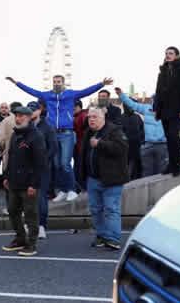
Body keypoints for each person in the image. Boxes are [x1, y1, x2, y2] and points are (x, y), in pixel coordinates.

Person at [7, 74, 113, 202]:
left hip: (66, 133)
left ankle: (72, 190)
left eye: (59, 81)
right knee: (56, 164)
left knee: (65, 163)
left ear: (63, 83)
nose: (56, 83)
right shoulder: (47, 95)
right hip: (53, 132)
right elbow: (31, 91)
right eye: (54, 81)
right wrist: (16, 83)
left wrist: (101, 84)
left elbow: (86, 91)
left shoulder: (70, 94)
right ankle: (64, 189)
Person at [79, 107, 129, 251]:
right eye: (89, 117)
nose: (91, 120)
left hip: (112, 179)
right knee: (95, 209)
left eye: (94, 117)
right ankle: (101, 236)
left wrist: (100, 144)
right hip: (93, 179)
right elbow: (83, 156)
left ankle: (113, 239)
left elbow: (122, 148)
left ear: (103, 118)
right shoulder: (88, 133)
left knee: (111, 209)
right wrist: (82, 177)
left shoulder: (114, 130)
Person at [1, 106, 46, 256]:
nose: (18, 118)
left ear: (29, 117)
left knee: (30, 214)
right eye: (17, 116)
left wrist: (34, 184)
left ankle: (31, 244)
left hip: (29, 184)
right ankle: (20, 238)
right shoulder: (15, 135)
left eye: (21, 116)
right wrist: (6, 176)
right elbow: (11, 157)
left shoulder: (36, 136)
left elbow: (41, 163)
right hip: (14, 181)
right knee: (13, 211)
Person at [153, 47, 180, 176]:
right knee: (168, 137)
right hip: (164, 109)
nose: (168, 55)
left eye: (170, 53)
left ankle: (179, 165)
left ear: (177, 56)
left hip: (177, 109)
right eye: (166, 53)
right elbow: (158, 91)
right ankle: (171, 164)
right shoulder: (163, 71)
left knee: (173, 135)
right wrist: (156, 109)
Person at [116, 89, 168, 176]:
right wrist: (121, 95)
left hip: (162, 144)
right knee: (147, 171)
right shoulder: (147, 109)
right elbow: (132, 104)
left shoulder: (168, 111)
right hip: (148, 144)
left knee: (162, 171)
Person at [29, 101, 57, 239]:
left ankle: (41, 226)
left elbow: (53, 147)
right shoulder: (25, 126)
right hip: (27, 168)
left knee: (41, 197)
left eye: (33, 110)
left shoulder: (47, 127)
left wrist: (43, 162)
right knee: (28, 198)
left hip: (43, 167)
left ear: (39, 111)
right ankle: (31, 224)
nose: (31, 112)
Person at [121, 105, 145, 180]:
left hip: (137, 144)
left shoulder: (137, 117)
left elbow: (142, 129)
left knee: (138, 163)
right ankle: (125, 179)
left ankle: (138, 178)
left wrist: (142, 140)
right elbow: (119, 131)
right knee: (125, 163)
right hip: (125, 146)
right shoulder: (121, 117)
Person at [72, 100, 89, 190]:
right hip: (77, 147)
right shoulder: (75, 116)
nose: (73, 107)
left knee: (80, 168)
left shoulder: (83, 115)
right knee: (77, 168)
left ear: (80, 106)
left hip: (81, 148)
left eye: (75, 106)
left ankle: (82, 187)